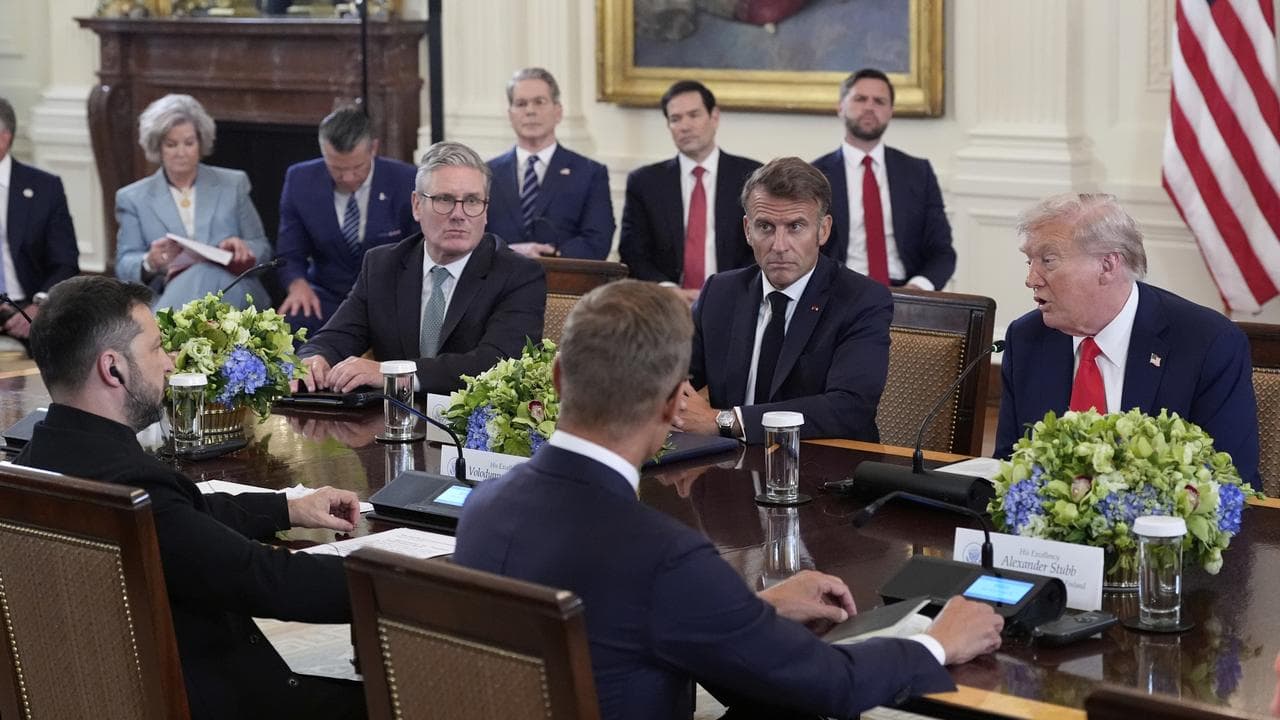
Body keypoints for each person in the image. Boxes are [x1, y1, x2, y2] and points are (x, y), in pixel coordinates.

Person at [454, 279, 1005, 720]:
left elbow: (618, 620)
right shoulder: (665, 557)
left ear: (556, 379)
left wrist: (751, 611)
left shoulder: (483, 507)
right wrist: (938, 643)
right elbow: (830, 685)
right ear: (674, 404)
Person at [14, 275, 365, 720]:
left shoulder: (32, 468)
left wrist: (287, 507)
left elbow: (184, 522)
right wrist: (394, 578)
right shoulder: (133, 488)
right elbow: (267, 580)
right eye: (157, 347)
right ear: (113, 368)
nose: (170, 362)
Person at [995, 193, 1261, 488]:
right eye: (1029, 261)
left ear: (1108, 265)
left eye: (1047, 261)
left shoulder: (1207, 344)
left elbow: (1230, 480)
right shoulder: (1027, 339)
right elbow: (1010, 462)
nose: (1031, 279)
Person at [297, 140, 546, 395]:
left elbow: (498, 363)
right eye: (444, 199)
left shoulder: (518, 275)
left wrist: (392, 373)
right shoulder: (383, 265)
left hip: (474, 426)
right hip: (386, 423)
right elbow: (336, 336)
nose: (459, 214)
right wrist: (314, 358)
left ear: (485, 211)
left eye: (472, 201)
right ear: (417, 205)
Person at [679, 157, 893, 444]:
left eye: (795, 227)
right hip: (726, 464)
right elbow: (674, 382)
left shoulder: (861, 299)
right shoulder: (720, 292)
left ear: (823, 230)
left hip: (823, 467)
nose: (779, 246)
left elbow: (849, 408)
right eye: (765, 227)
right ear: (747, 230)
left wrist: (725, 421)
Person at [114, 94, 272, 311]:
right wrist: (150, 262)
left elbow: (263, 248)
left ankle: (167, 339)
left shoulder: (233, 184)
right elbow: (124, 265)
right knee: (192, 278)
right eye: (171, 144)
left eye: (189, 143)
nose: (181, 153)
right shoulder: (132, 197)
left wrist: (244, 249)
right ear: (158, 147)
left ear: (201, 142)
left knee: (201, 272)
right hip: (166, 291)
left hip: (231, 288)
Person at [275, 107, 418, 335]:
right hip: (327, 295)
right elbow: (289, 253)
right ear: (323, 153)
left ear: (373, 148)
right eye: (337, 169)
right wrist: (297, 284)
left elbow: (419, 250)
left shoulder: (407, 180)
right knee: (293, 320)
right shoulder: (300, 180)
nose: (348, 178)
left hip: (389, 297)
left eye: (357, 167)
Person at [618, 80, 761, 304]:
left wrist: (725, 289)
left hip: (737, 298)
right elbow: (633, 252)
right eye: (675, 119)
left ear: (714, 117)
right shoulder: (645, 182)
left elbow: (762, 246)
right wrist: (667, 290)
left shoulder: (752, 176)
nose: (685, 126)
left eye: (694, 115)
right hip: (665, 304)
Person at [811, 68, 955, 290]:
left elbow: (942, 252)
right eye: (860, 99)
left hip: (904, 290)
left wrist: (917, 289)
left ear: (891, 112)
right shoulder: (814, 175)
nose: (869, 107)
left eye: (879, 101)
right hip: (837, 291)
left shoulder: (918, 172)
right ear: (840, 107)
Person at [484, 67, 614, 259]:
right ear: (510, 115)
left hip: (566, 282)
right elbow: (473, 236)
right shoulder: (486, 173)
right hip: (498, 281)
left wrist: (550, 256)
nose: (530, 111)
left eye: (539, 102)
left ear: (558, 111)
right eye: (521, 103)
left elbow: (598, 238)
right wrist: (512, 252)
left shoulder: (590, 173)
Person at [0, 97, 79, 342]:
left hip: (28, 307)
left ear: (4, 138)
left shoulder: (45, 189)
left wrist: (38, 308)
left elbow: (65, 263)